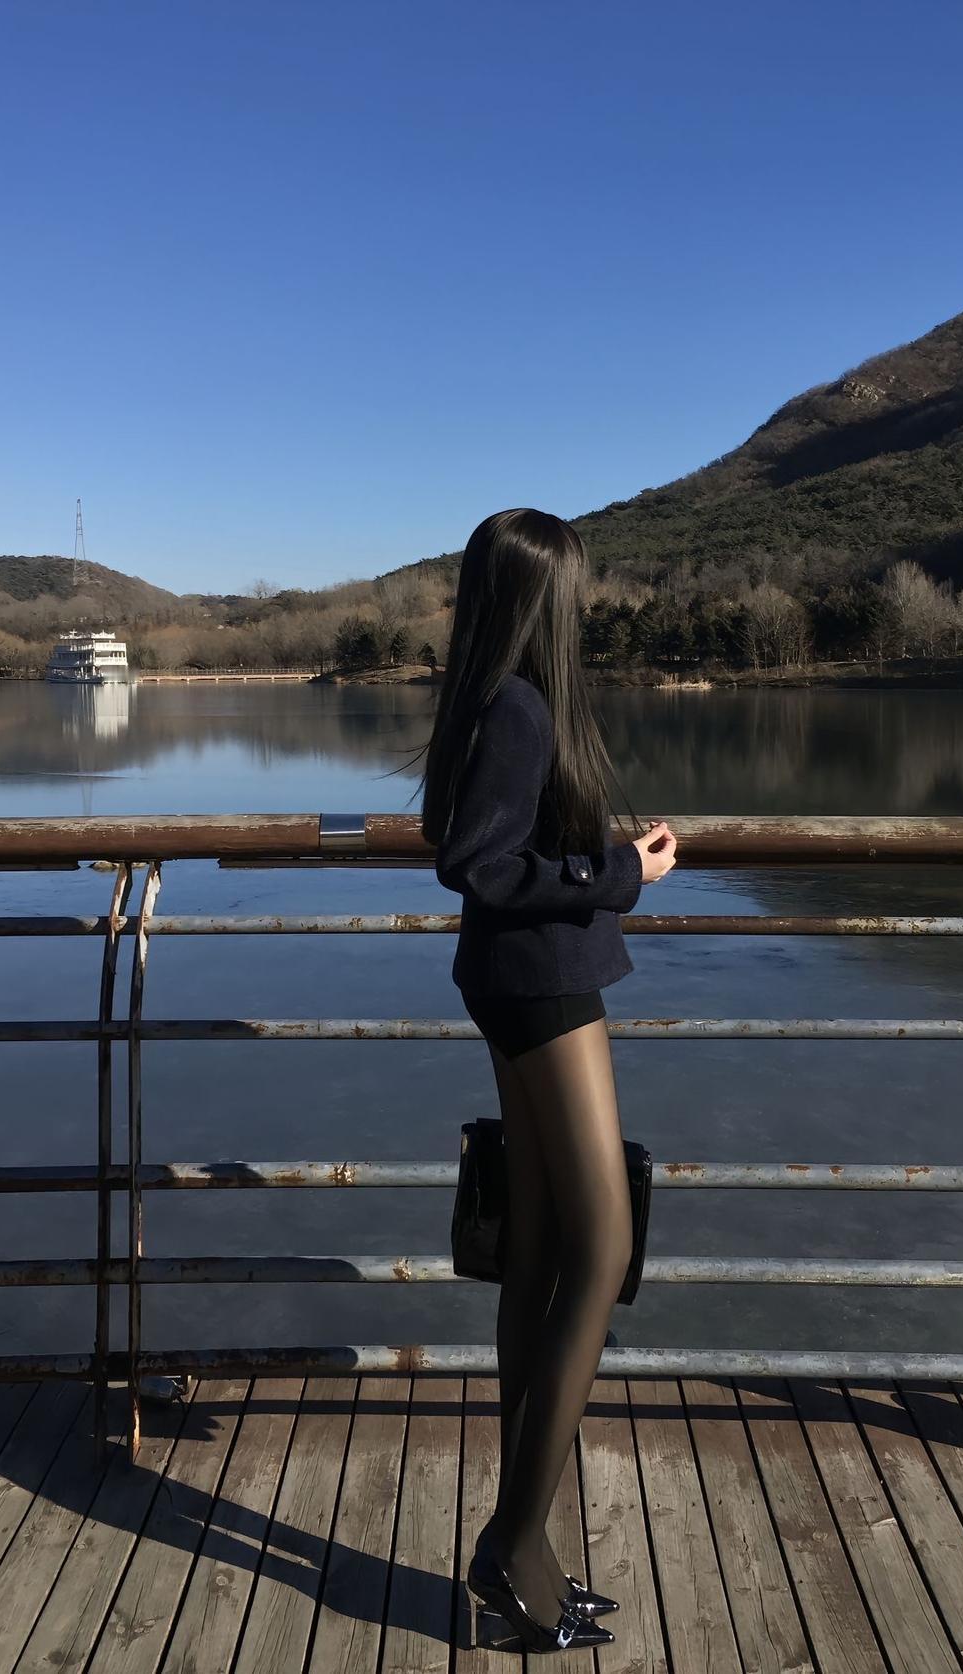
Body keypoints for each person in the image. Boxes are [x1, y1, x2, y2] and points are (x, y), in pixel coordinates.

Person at [418, 508, 677, 1653]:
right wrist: (623, 870)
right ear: (541, 599)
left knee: (533, 1252)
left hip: (510, 982)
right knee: (602, 1246)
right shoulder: (520, 707)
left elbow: (484, 848)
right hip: (544, 989)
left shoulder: (490, 699)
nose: (580, 606)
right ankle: (511, 1541)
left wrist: (604, 863)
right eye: (570, 590)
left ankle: (525, 1546)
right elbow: (475, 861)